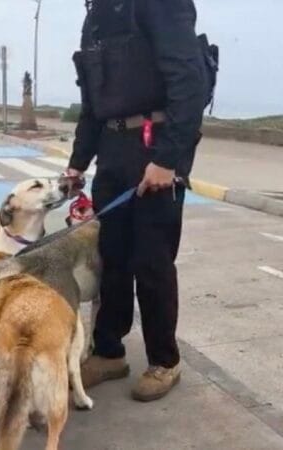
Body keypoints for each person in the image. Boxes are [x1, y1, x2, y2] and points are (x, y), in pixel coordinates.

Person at [67, 0, 214, 401]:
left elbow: (190, 82)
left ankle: (165, 362)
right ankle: (110, 352)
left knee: (151, 262)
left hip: (156, 145)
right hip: (112, 151)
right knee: (111, 259)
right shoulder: (95, 18)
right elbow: (91, 104)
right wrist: (77, 164)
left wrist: (167, 160)